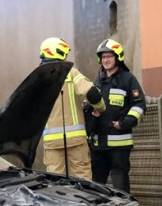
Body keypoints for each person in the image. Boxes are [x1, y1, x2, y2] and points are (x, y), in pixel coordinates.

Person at [40, 37, 105, 179]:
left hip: (52, 142)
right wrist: (100, 108)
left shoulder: (38, 77)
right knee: (82, 180)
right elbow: (93, 94)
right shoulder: (71, 73)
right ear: (59, 52)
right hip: (76, 140)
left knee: (55, 181)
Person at [89, 38, 145, 193]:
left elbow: (139, 105)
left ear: (117, 57)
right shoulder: (98, 81)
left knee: (120, 184)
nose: (105, 60)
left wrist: (124, 123)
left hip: (119, 144)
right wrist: (92, 113)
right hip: (98, 144)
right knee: (96, 184)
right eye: (103, 57)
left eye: (109, 56)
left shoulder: (128, 79)